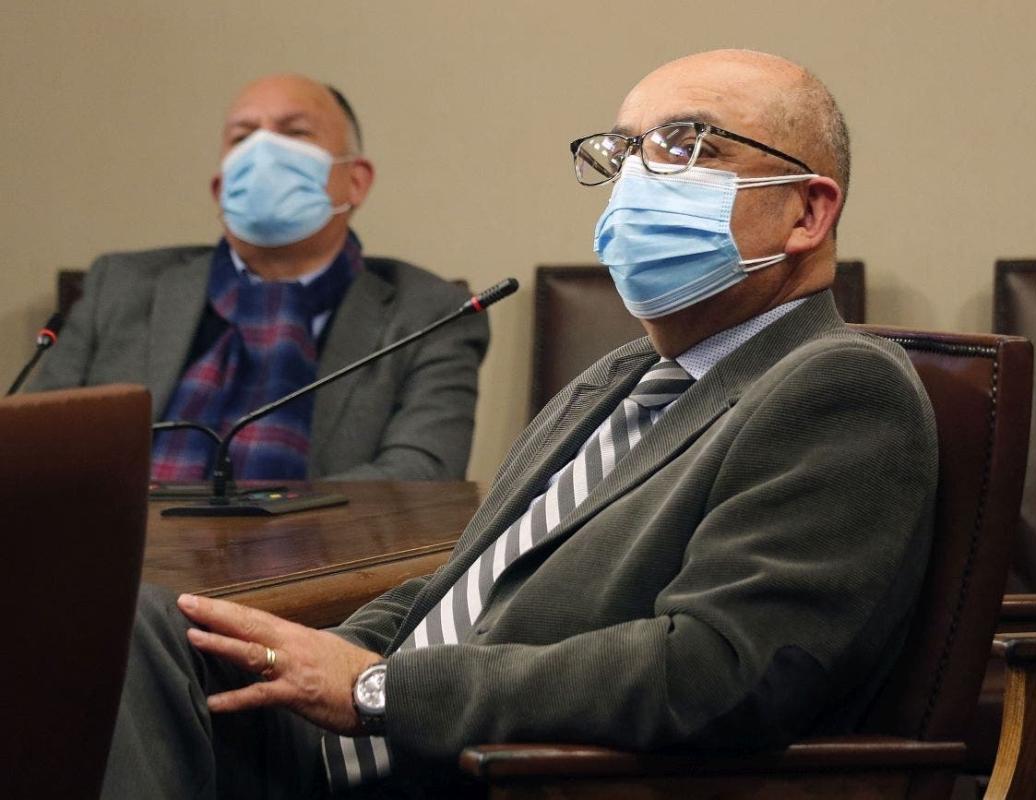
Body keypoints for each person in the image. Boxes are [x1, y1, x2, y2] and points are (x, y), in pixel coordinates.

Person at [100, 49, 938, 798]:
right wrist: (305, 661)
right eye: (624, 151)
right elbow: (466, 586)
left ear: (806, 213)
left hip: (488, 769)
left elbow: (718, 670)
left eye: (688, 146)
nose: (639, 178)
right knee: (123, 621)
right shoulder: (619, 377)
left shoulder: (839, 385)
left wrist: (373, 691)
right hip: (368, 741)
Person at [31, 74, 489, 481]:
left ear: (356, 181)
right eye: (243, 137)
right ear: (220, 188)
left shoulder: (431, 314)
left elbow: (420, 481)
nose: (264, 152)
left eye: (295, 132)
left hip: (320, 552)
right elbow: (36, 450)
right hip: (120, 547)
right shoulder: (120, 286)